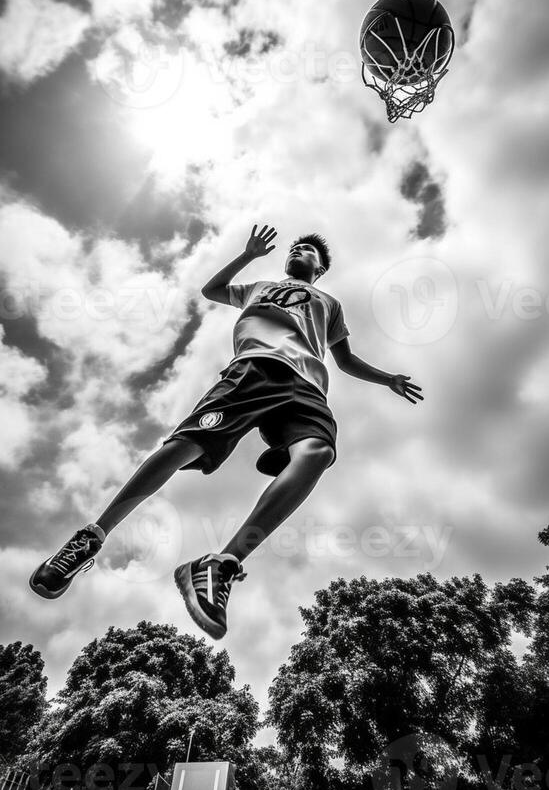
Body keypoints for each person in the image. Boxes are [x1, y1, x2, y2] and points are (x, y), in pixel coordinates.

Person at [29, 224, 423, 639]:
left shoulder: (328, 303)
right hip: (251, 371)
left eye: (308, 251)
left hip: (305, 386)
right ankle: (91, 537)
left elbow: (345, 360)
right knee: (187, 445)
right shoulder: (258, 287)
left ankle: (221, 565)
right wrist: (248, 254)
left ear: (319, 269)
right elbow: (212, 289)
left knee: (318, 452)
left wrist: (387, 379)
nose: (299, 252)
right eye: (295, 248)